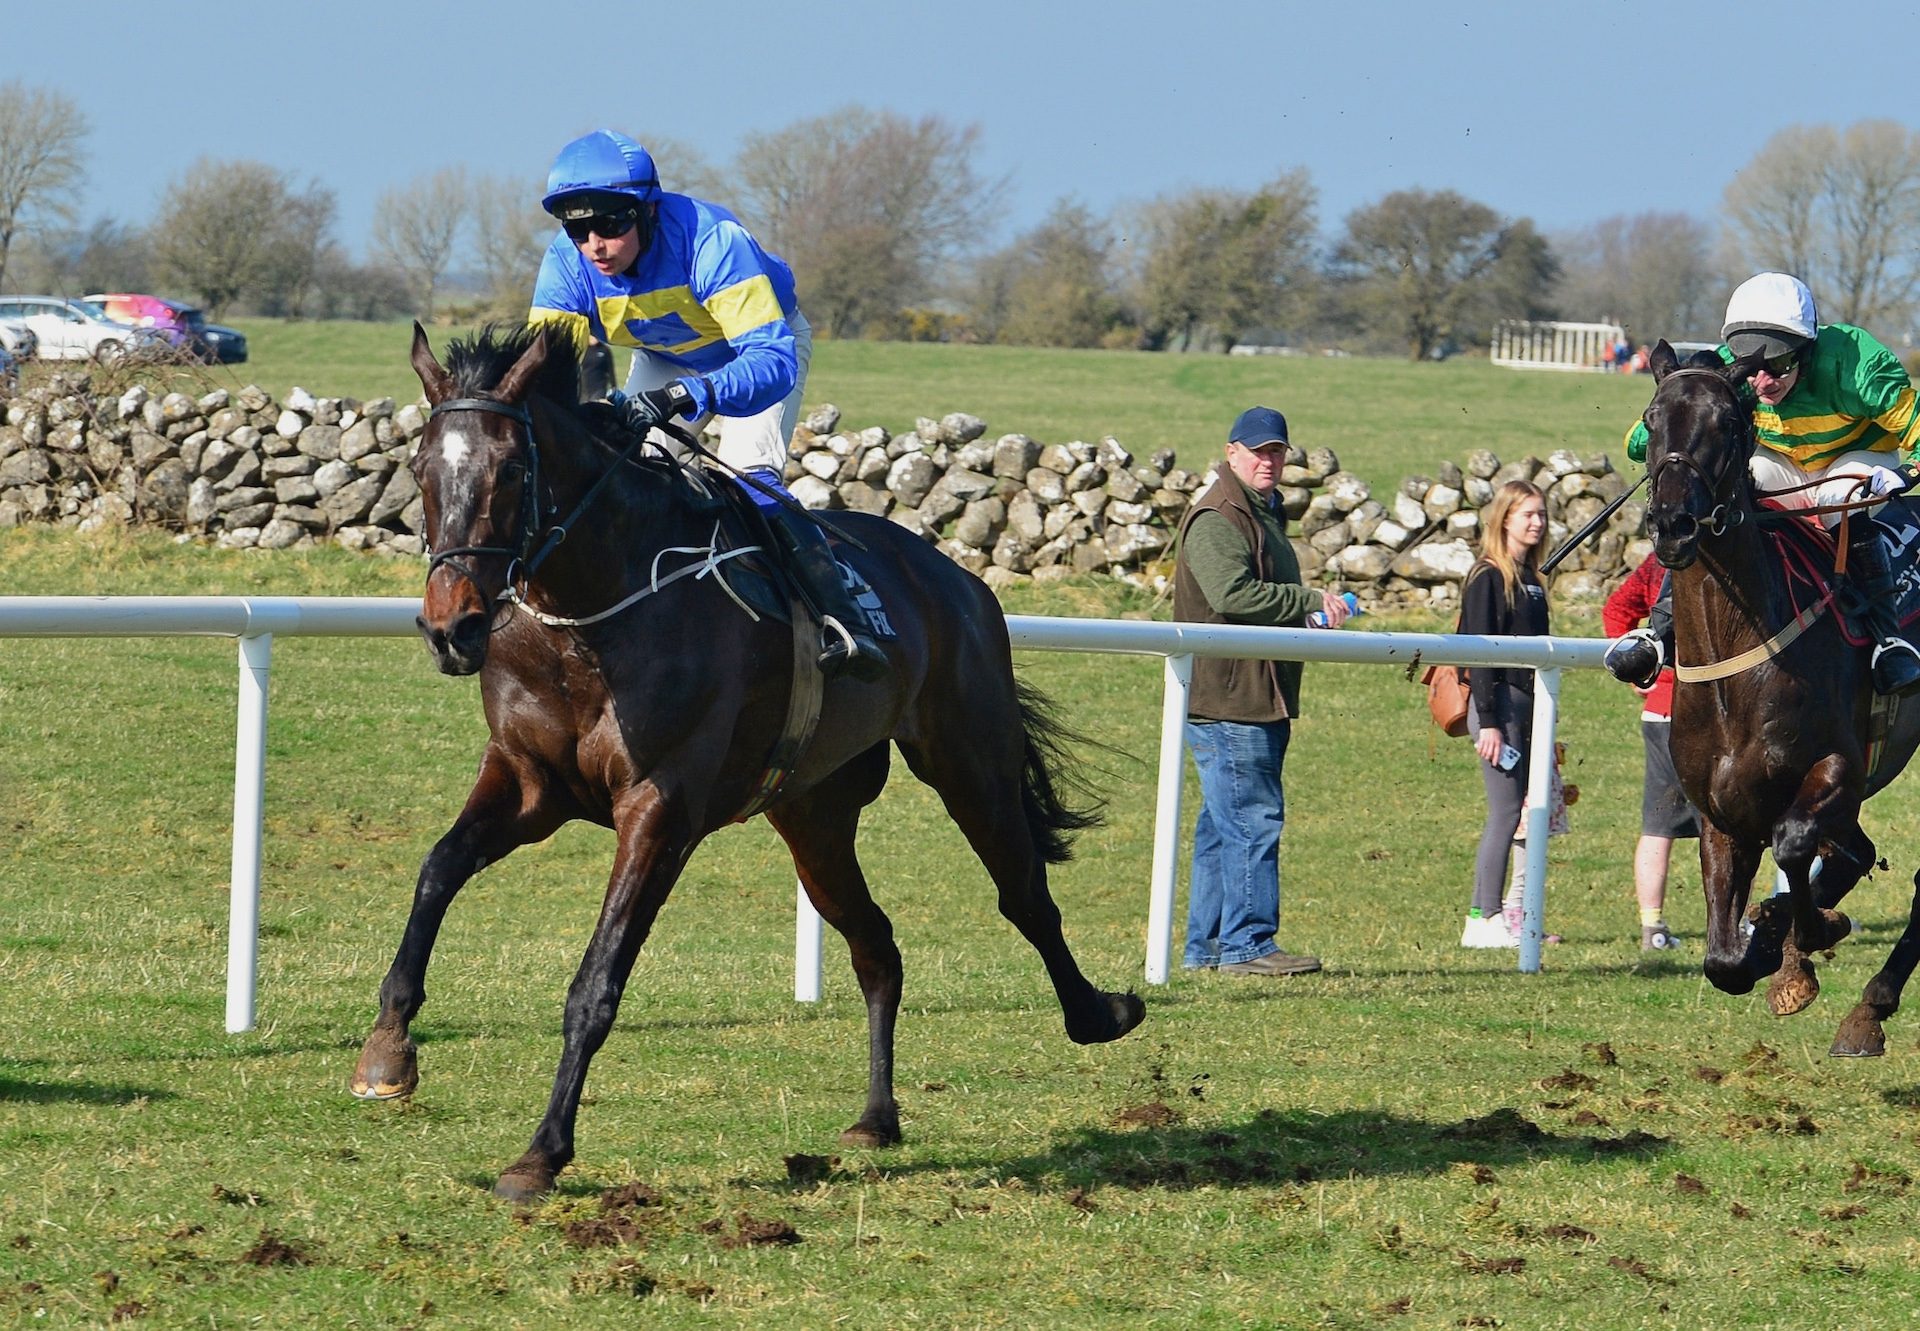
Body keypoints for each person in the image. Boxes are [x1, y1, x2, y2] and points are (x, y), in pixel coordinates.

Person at [527, 128, 884, 681]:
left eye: (611, 225)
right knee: (624, 473)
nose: (595, 245)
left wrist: (689, 393)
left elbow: (771, 362)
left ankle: (845, 622)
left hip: (758, 352)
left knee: (749, 478)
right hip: (666, 356)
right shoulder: (566, 265)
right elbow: (542, 374)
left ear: (647, 211)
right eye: (578, 229)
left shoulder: (714, 241)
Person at [1608, 272, 1920, 696]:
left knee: (1835, 498)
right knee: (1716, 498)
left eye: (1780, 364)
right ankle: (1660, 629)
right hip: (1784, 462)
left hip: (1857, 457)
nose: (1763, 381)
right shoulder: (1729, 370)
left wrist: (1905, 473)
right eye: (1753, 364)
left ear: (1808, 349)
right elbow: (1639, 440)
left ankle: (1888, 640)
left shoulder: (1857, 362)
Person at [1170, 406, 1351, 977]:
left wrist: (1303, 613)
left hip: (1249, 691)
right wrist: (1307, 602)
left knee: (1223, 827)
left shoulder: (1257, 509)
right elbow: (1232, 595)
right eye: (1257, 451)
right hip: (1231, 697)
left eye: (1276, 451)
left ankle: (1208, 948)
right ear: (1232, 453)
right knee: (1252, 819)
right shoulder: (1219, 515)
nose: (1268, 461)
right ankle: (1247, 944)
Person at [1458, 480, 1550, 948]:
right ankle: (1483, 916)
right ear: (1505, 518)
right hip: (1498, 706)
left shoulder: (1531, 578)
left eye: (1541, 514)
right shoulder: (1488, 576)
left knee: (1520, 810)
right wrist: (1489, 721)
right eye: (1528, 514)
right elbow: (1477, 652)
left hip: (1529, 706)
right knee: (1506, 811)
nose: (1537, 523)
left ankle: (1499, 914)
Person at [1603, 552, 1695, 951]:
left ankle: (1652, 927)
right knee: (1726, 827)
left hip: (1661, 713)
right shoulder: (1723, 557)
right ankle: (1737, 924)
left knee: (1658, 826)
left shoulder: (1658, 561)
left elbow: (1616, 611)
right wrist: (1637, 672)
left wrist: (1638, 670)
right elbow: (1617, 611)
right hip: (1704, 714)